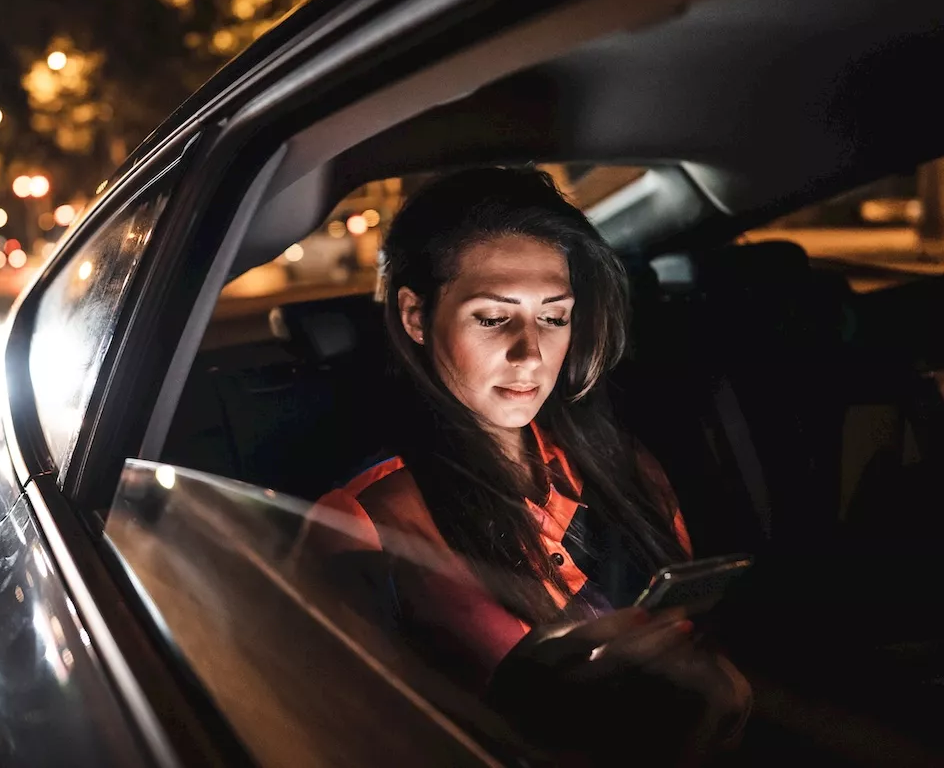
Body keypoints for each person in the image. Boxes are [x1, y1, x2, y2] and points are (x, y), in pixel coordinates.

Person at [293, 168, 750, 765]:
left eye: (554, 317)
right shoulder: (366, 521)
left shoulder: (624, 467)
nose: (530, 353)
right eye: (492, 318)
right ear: (414, 316)